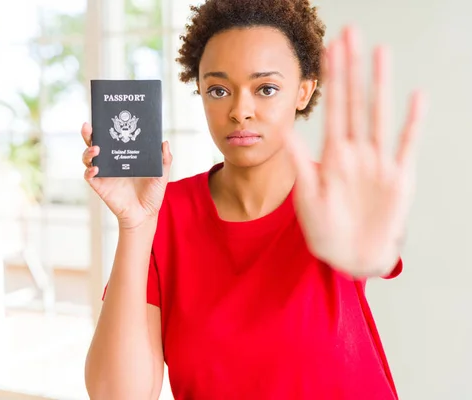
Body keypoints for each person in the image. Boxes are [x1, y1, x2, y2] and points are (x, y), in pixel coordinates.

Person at [82, 0, 426, 398]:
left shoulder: (335, 196)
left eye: (266, 89)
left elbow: (374, 252)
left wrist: (370, 253)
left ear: (303, 91)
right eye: (218, 89)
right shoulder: (163, 213)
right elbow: (118, 395)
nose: (240, 110)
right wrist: (135, 225)